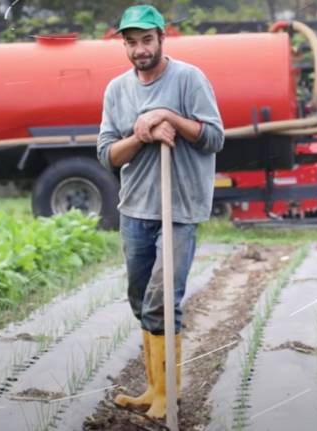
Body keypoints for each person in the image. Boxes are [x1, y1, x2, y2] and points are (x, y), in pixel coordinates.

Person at [97, 4, 224, 419]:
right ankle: (153, 389)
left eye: (146, 40)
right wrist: (141, 133)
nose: (139, 49)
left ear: (161, 38)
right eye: (131, 43)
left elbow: (214, 138)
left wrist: (169, 115)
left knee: (163, 301)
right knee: (141, 301)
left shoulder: (189, 79)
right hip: (135, 208)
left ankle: (168, 395)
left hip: (179, 207)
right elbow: (107, 155)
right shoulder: (117, 90)